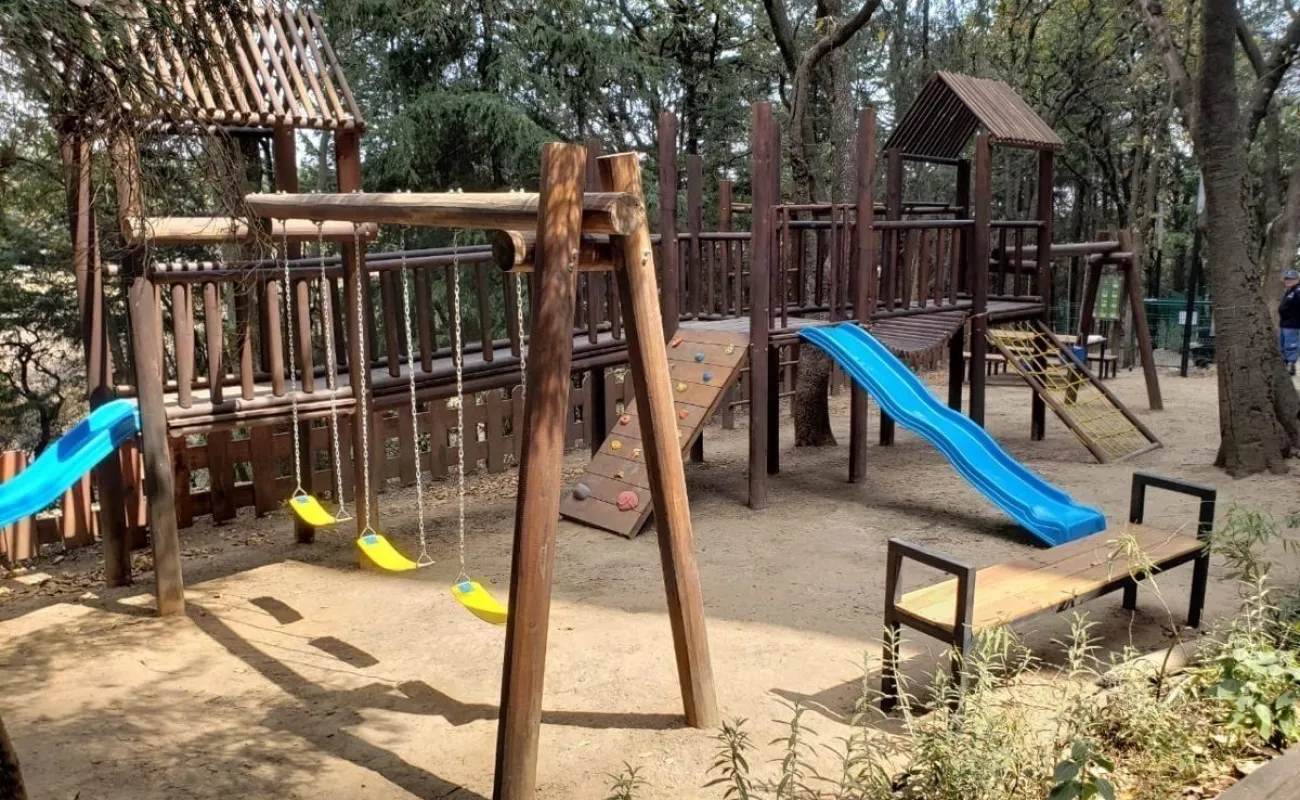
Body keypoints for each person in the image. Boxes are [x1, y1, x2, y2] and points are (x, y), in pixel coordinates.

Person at [1281, 269, 1300, 376]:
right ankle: (1285, 363)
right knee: (1283, 344)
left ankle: (1291, 365)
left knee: (1291, 344)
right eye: (1287, 278)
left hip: (1293, 323)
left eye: (1291, 279)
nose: (1288, 281)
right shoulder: (1289, 290)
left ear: (1297, 279)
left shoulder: (1298, 290)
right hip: (1284, 323)